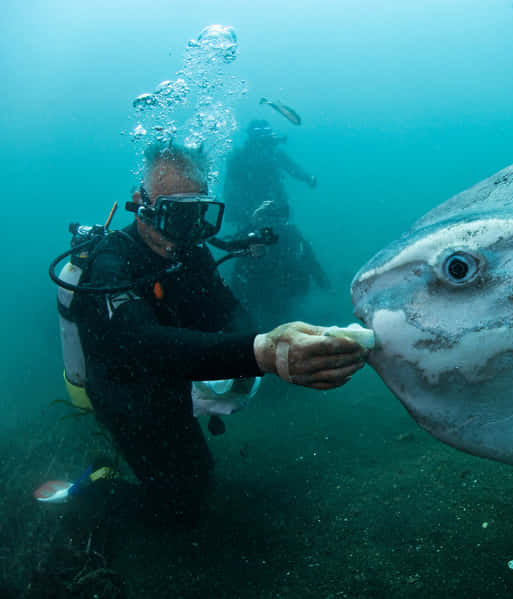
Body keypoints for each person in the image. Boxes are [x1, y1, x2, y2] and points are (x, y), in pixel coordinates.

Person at [71, 141, 366, 526]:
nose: (188, 230)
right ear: (141, 204)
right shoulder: (112, 262)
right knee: (176, 509)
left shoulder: (190, 251)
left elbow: (227, 309)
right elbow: (142, 342)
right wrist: (262, 352)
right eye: (175, 214)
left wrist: (252, 351)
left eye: (197, 214)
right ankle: (96, 489)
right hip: (126, 395)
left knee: (196, 477)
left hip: (174, 386)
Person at [222, 119, 328, 327]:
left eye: (268, 141)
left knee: (294, 247)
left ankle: (303, 294)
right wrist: (250, 215)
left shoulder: (274, 155)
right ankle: (240, 315)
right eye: (262, 141)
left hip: (277, 221)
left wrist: (308, 178)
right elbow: (231, 199)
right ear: (252, 140)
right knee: (249, 267)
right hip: (248, 225)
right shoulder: (239, 161)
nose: (266, 146)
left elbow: (291, 166)